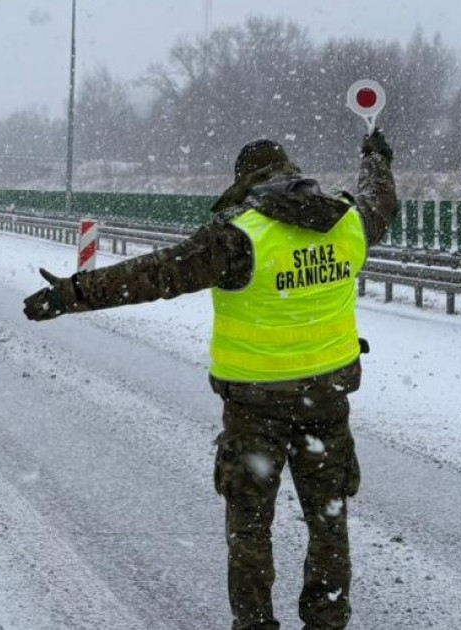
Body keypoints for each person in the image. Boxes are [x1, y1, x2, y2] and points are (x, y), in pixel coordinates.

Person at [23, 131, 396, 630]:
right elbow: (380, 200)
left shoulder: (239, 236)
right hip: (326, 402)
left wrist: (72, 293)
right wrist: (375, 158)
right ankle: (326, 620)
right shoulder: (348, 221)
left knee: (250, 529)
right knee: (328, 521)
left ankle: (255, 623)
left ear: (246, 182)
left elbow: (156, 273)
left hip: (255, 408)